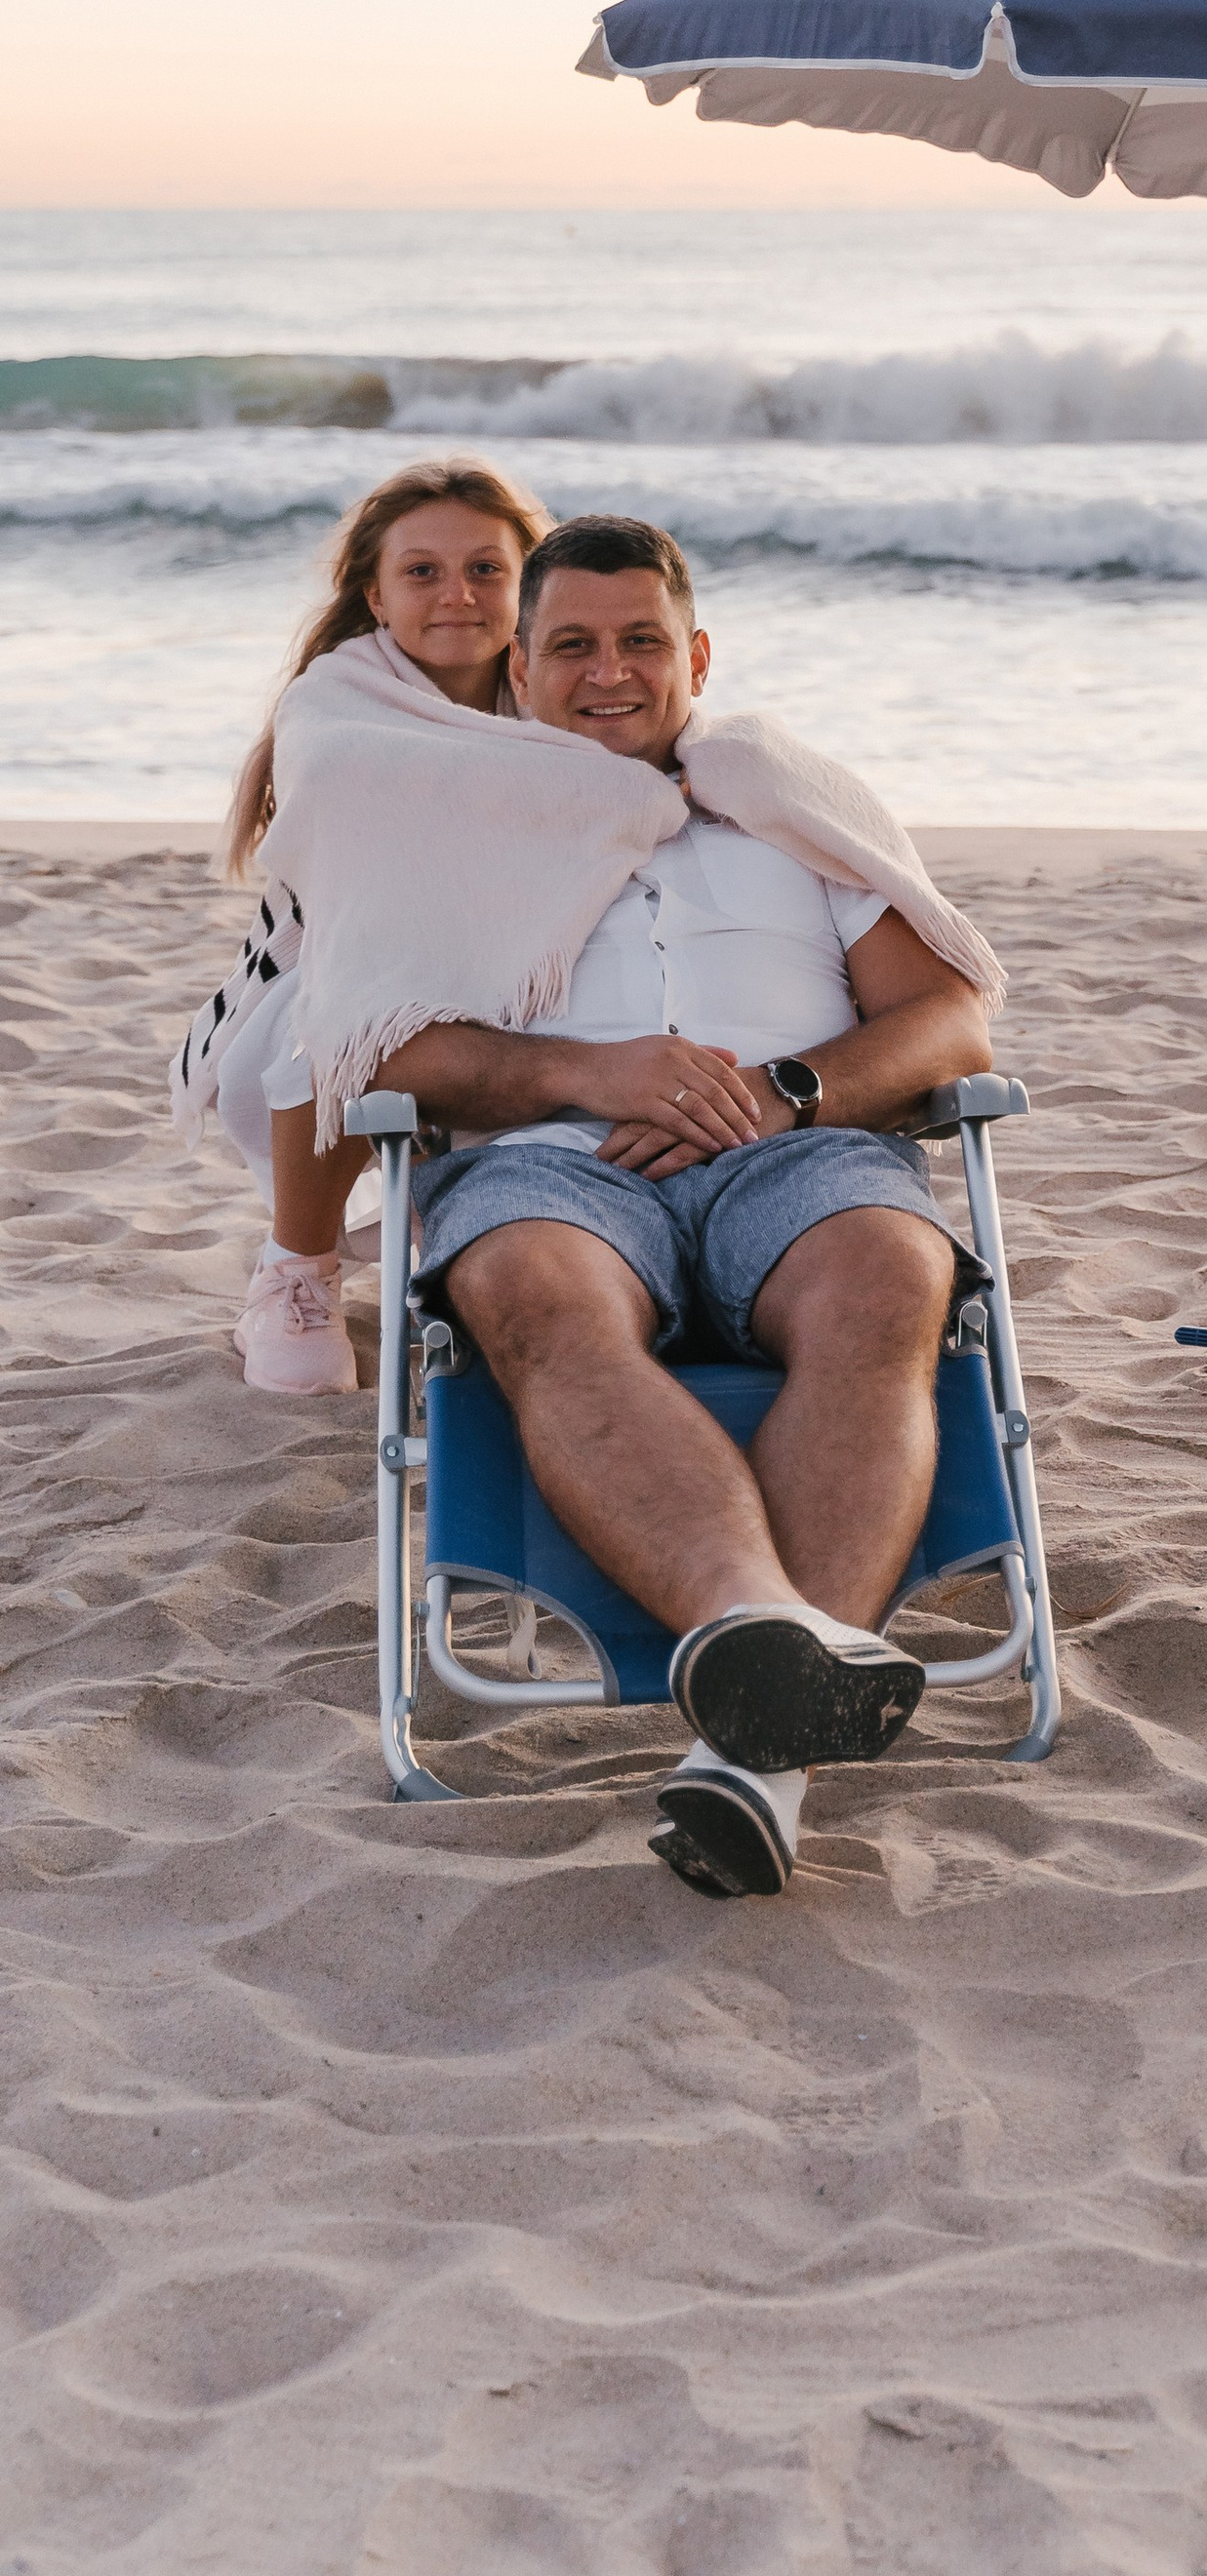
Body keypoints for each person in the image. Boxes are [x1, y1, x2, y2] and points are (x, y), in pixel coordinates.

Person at [261, 511, 1004, 1906]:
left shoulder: (787, 818)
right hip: (555, 1158)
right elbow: (378, 1042)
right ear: (519, 670)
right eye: (573, 647)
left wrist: (787, 1091)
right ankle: (760, 1643)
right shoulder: (460, 824)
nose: (610, 673)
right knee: (535, 1302)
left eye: (641, 642)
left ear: (696, 653)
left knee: (893, 1284)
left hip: (798, 1149)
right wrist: (586, 1070)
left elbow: (951, 1021)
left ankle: (761, 1749)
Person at [172, 459, 551, 1395]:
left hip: (489, 995)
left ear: (530, 587)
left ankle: (460, 1238)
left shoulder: (556, 695)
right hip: (305, 1020)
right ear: (376, 597)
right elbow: (387, 905)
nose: (456, 594)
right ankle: (294, 1270)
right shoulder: (332, 708)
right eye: (421, 572)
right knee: (358, 1010)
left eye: (486, 570)